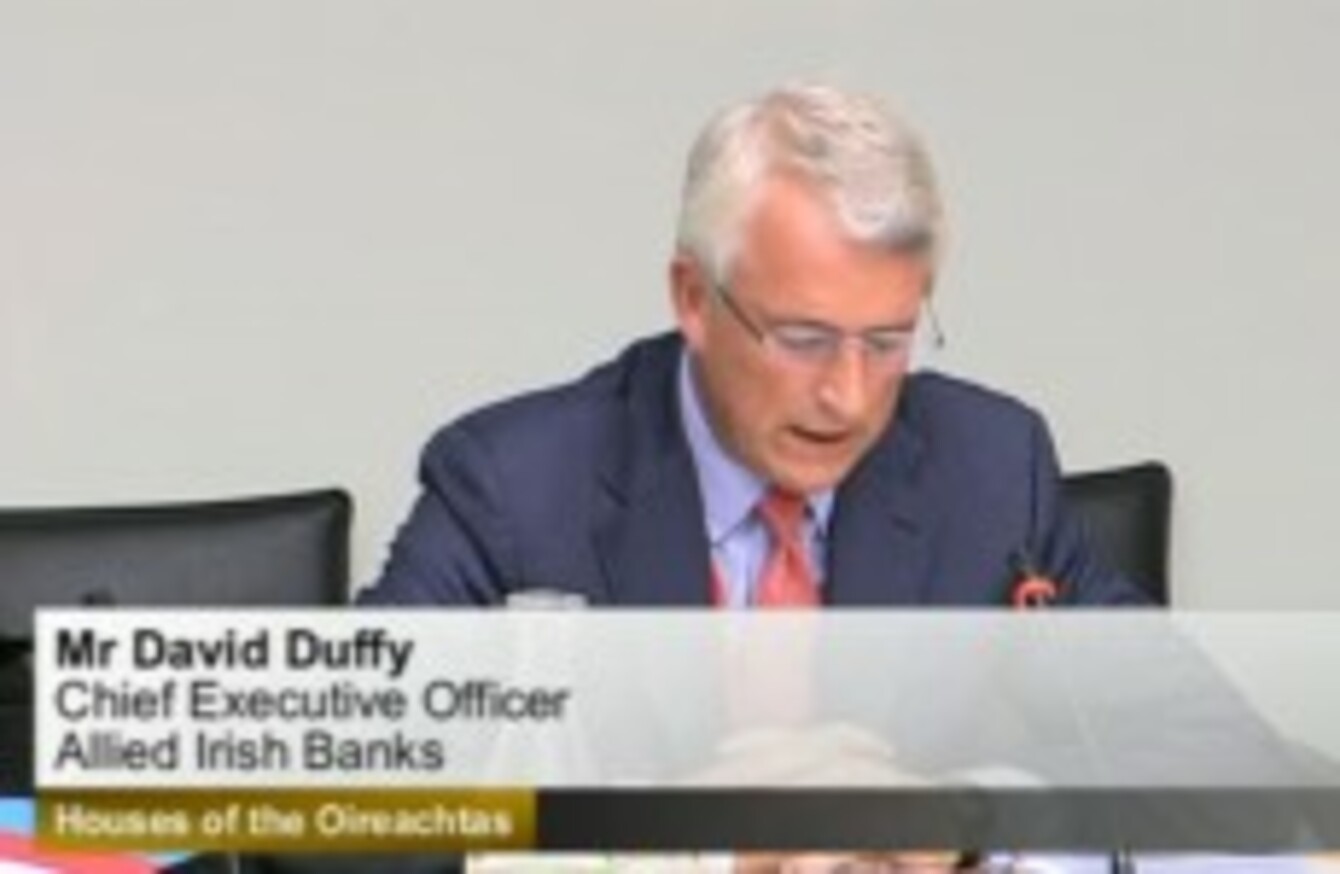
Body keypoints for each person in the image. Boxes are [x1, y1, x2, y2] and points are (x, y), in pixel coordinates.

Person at [361, 82, 1146, 610]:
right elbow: (341, 789)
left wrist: (968, 808)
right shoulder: (514, 491)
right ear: (693, 298)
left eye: (887, 341)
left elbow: (1180, 740)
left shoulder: (994, 472)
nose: (848, 396)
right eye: (803, 339)